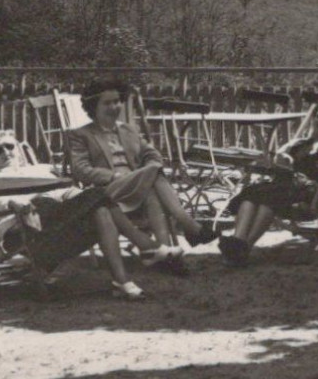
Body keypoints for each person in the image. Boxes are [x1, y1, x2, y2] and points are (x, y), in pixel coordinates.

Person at [66, 79, 218, 291]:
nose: (115, 107)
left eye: (117, 102)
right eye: (107, 103)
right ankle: (188, 224)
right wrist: (113, 176)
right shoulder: (80, 135)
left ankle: (165, 254)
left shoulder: (128, 129)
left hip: (139, 186)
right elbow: (80, 169)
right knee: (153, 174)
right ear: (94, 107)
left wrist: (147, 169)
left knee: (152, 189)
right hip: (110, 191)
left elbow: (153, 155)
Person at [219, 103, 318, 267]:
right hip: (289, 191)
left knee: (268, 196)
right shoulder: (300, 145)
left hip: (315, 195)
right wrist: (284, 160)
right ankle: (238, 243)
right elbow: (281, 167)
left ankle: (243, 248)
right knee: (252, 194)